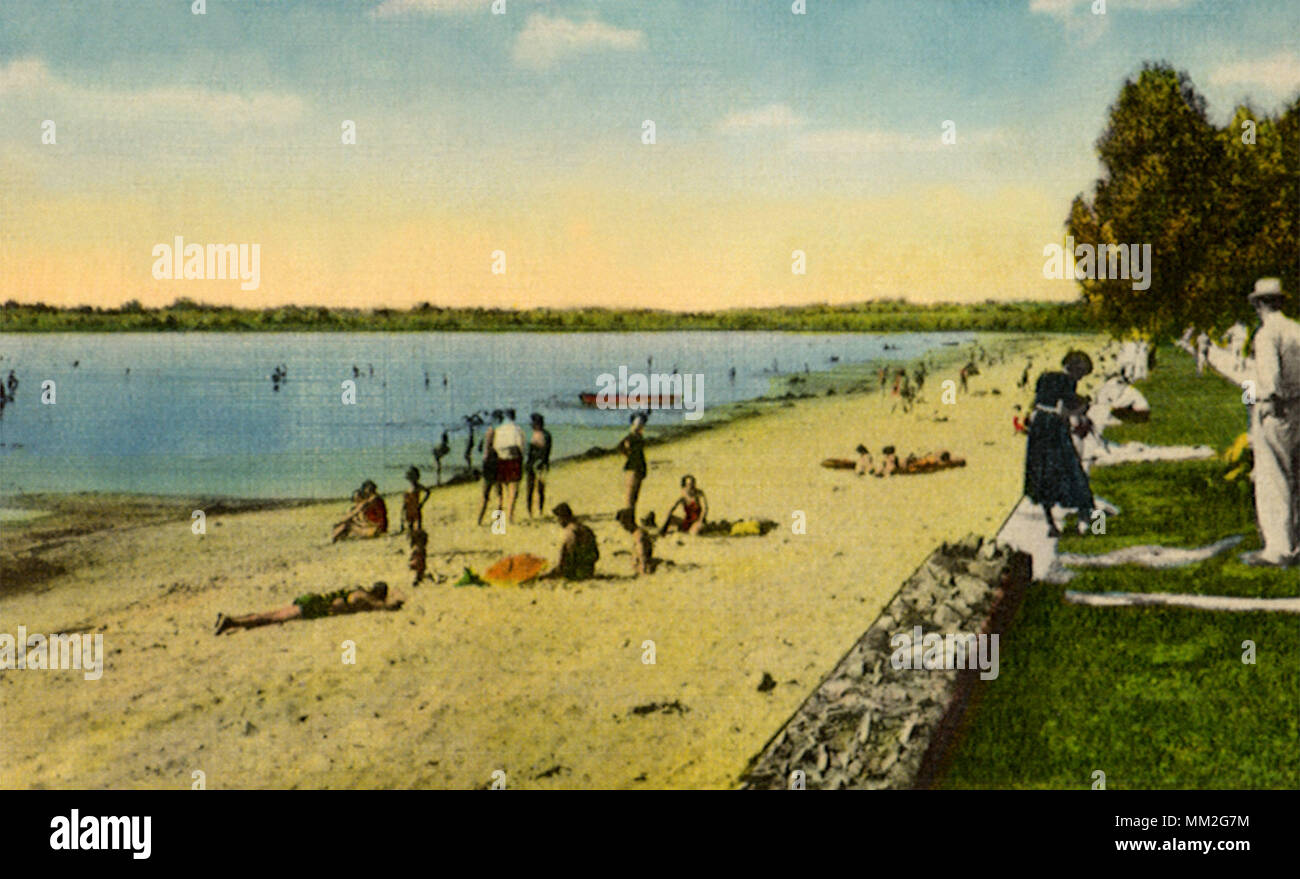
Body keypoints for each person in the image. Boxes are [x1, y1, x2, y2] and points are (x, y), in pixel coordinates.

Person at [1242, 278, 1300, 567]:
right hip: (1298, 406)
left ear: (1259, 304)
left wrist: (1250, 401)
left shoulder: (1266, 335)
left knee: (1272, 478)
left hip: (1274, 408)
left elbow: (1267, 380)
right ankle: (1295, 542)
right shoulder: (1296, 330)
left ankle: (1278, 548)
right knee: (1296, 478)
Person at [1024, 351, 1095, 537]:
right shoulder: (1067, 381)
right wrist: (1085, 406)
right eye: (1081, 373)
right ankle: (1095, 527)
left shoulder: (1045, 376)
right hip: (1054, 427)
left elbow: (1035, 404)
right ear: (1075, 369)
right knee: (1072, 471)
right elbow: (1063, 410)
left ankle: (1052, 527)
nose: (1080, 378)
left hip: (1038, 427)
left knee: (1042, 475)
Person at [214, 582, 402, 634]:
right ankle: (232, 621)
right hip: (314, 606)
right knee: (275, 617)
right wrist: (398, 600)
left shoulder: (357, 591)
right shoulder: (363, 597)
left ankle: (234, 620)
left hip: (312, 601)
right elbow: (386, 608)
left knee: (273, 614)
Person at [539, 503, 599, 581]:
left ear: (563, 518)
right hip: (589, 570)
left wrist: (558, 570)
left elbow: (569, 555)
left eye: (558, 519)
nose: (558, 522)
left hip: (577, 572)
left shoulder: (570, 531)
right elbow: (596, 554)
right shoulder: (584, 527)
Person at [492, 408, 526, 523]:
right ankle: (510, 517)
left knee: (500, 494)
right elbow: (521, 447)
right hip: (514, 460)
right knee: (513, 491)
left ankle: (498, 521)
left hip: (501, 459)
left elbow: (495, 446)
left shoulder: (499, 429)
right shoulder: (517, 429)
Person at [618, 412, 648, 518]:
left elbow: (622, 447)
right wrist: (629, 455)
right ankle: (629, 519)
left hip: (638, 467)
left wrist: (628, 454)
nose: (640, 425)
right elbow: (621, 446)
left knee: (634, 497)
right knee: (630, 497)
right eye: (638, 423)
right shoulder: (631, 437)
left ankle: (631, 519)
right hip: (633, 468)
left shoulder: (637, 436)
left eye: (641, 423)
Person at [476, 410, 503, 526]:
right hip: (498, 462)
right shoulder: (502, 431)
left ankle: (480, 520)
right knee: (499, 495)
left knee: (485, 494)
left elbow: (484, 449)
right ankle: (498, 521)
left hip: (488, 463)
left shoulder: (490, 430)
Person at [525, 412, 553, 518]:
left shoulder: (542, 435)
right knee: (536, 490)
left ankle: (534, 512)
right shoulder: (544, 434)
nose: (531, 425)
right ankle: (536, 512)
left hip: (537, 464)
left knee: (535, 490)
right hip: (538, 464)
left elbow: (545, 452)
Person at [616, 507, 656, 575]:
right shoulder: (636, 534)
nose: (623, 527)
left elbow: (643, 557)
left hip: (643, 571)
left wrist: (643, 573)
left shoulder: (639, 536)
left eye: (623, 524)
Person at [400, 466, 431, 535]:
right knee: (410, 528)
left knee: (418, 528)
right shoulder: (409, 487)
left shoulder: (417, 486)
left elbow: (428, 492)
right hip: (409, 509)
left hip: (415, 508)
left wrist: (422, 503)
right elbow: (405, 502)